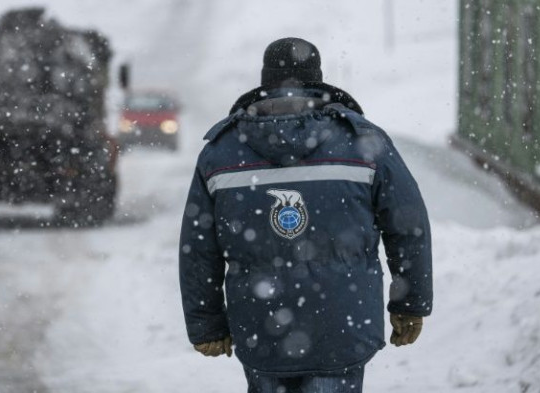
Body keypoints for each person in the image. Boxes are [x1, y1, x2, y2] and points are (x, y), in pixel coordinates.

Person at [178, 38, 433, 392]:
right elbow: (408, 225)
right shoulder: (364, 143)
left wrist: (206, 324)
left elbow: (198, 246)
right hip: (342, 326)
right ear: (318, 79)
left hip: (261, 328)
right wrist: (410, 304)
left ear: (265, 82)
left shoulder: (221, 152)